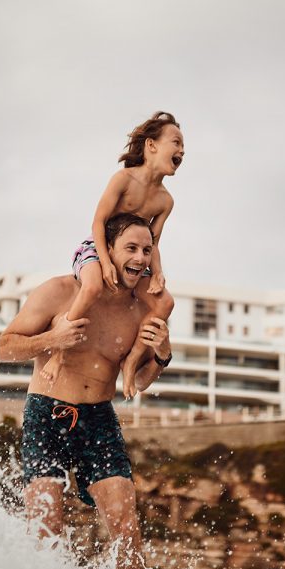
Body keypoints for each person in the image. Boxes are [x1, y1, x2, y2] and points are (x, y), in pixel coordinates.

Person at [0, 213, 173, 569]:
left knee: (127, 531)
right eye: (131, 248)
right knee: (46, 529)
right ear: (107, 250)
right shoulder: (58, 292)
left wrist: (161, 355)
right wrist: (51, 340)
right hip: (47, 415)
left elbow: (139, 381)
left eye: (147, 249)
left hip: (99, 420)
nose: (141, 259)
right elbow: (4, 348)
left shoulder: (140, 311)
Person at [40, 111, 183, 400]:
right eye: (176, 142)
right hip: (98, 247)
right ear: (151, 145)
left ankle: (130, 362)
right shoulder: (123, 179)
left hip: (135, 258)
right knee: (92, 286)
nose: (181, 151)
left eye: (183, 149)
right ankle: (58, 352)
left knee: (165, 302)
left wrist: (157, 273)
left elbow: (152, 242)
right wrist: (104, 262)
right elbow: (97, 222)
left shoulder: (165, 200)